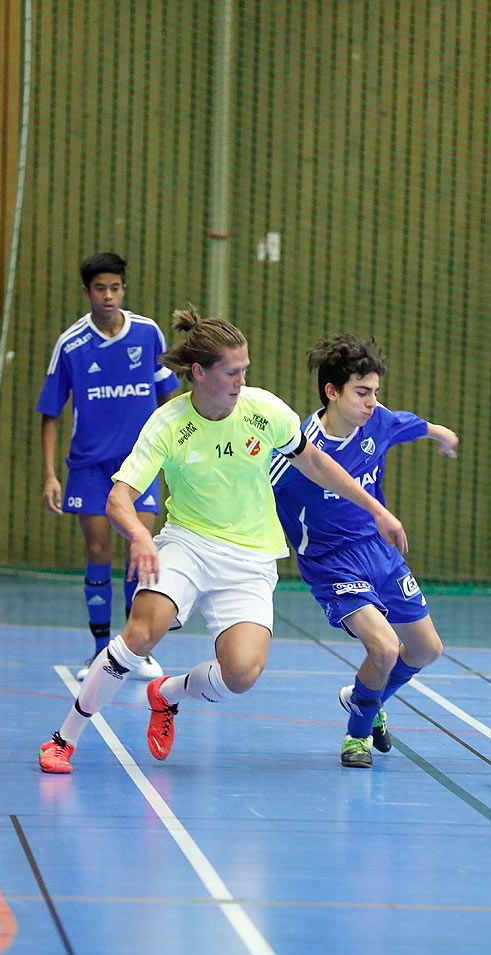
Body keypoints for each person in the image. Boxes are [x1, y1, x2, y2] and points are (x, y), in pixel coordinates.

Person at [38, 306, 410, 774]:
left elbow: (317, 464)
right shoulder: (168, 424)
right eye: (232, 372)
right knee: (141, 632)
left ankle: (166, 694)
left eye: (245, 370)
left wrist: (377, 510)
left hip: (252, 557)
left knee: (242, 674)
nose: (241, 380)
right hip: (188, 543)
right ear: (199, 372)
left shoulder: (265, 411)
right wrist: (139, 536)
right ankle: (64, 738)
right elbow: (119, 498)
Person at [269, 334, 459, 767]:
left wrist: (439, 433)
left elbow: (407, 423)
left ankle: (363, 698)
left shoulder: (378, 421)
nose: (371, 402)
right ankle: (357, 737)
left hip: (379, 552)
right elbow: (258, 494)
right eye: (361, 392)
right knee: (385, 648)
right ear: (331, 392)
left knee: (427, 649)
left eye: (375, 391)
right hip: (331, 561)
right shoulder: (296, 453)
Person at [37, 252, 181, 676]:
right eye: (100, 288)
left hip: (139, 466)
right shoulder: (71, 345)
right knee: (98, 552)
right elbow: (50, 413)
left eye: (115, 288)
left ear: (123, 289)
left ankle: (136, 650)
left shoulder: (148, 334)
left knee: (141, 553)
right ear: (87, 292)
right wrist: (49, 475)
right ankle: (101, 652)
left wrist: (170, 459)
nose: (108, 296)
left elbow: (168, 399)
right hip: (90, 467)